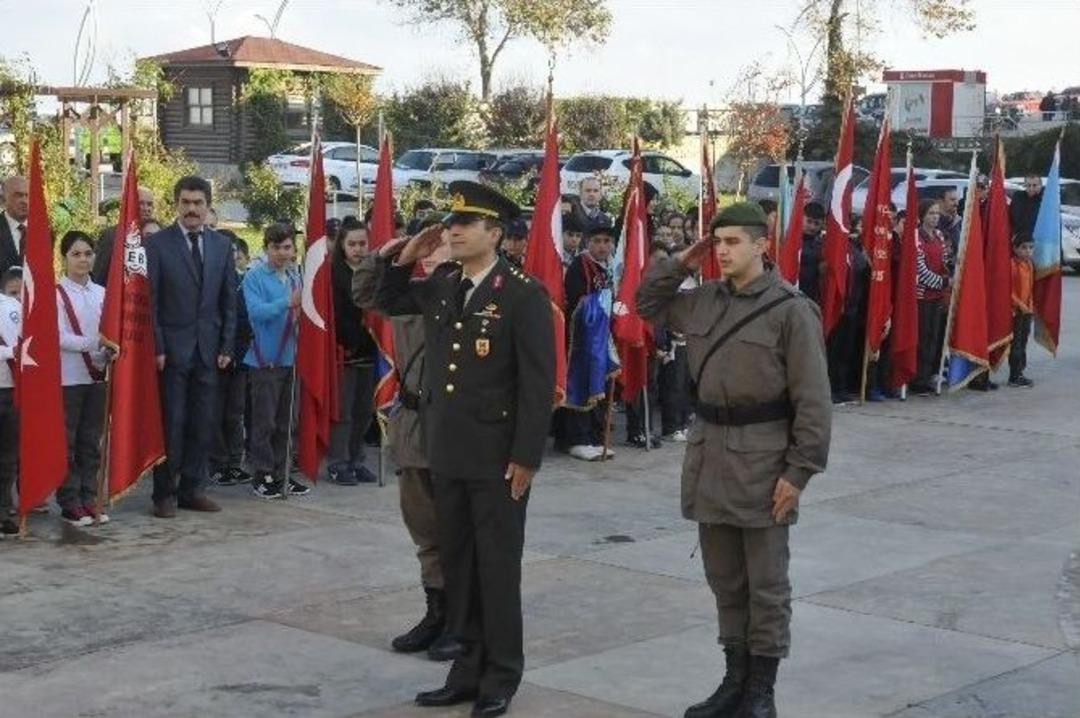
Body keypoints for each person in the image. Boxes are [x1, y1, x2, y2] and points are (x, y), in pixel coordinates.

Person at [636, 202, 831, 718]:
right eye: (717, 243)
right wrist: (683, 259)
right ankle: (733, 680)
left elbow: (813, 401)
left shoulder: (791, 310)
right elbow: (646, 303)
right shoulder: (704, 300)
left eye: (733, 242)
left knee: (766, 584)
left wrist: (799, 472)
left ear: (761, 245)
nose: (722, 252)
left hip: (764, 460)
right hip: (710, 456)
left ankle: (761, 691)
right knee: (725, 579)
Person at [375, 181, 555, 718]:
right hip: (447, 451)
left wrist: (526, 457)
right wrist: (407, 255)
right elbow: (388, 300)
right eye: (450, 223)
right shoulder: (444, 284)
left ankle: (501, 674)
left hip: (497, 458)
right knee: (458, 565)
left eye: (464, 224)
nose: (452, 231)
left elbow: (537, 384)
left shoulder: (522, 294)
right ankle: (466, 669)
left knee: (496, 569)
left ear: (494, 233)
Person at [353, 215, 464, 661]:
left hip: (456, 427)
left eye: (443, 243)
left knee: (459, 528)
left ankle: (462, 620)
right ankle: (436, 611)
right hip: (415, 425)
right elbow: (365, 295)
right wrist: (386, 256)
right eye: (428, 243)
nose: (433, 251)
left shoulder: (473, 294)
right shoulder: (410, 293)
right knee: (424, 528)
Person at [146, 176, 238, 518]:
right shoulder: (157, 245)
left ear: (208, 206)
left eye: (198, 203)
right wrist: (157, 346)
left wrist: (227, 344)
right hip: (171, 352)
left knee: (203, 424)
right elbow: (151, 301)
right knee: (172, 424)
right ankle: (164, 494)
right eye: (185, 202)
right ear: (176, 204)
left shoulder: (221, 245)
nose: (192, 209)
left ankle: (193, 489)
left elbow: (229, 300)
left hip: (209, 351)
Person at [242, 223, 308, 499]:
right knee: (264, 421)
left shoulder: (295, 276)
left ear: (294, 249)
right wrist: (287, 303)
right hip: (265, 360)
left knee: (287, 421)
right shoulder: (255, 277)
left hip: (291, 359)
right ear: (266, 248)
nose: (281, 253)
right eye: (275, 247)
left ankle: (282, 472)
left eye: (287, 247)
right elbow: (256, 312)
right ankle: (262, 473)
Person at [55, 231, 111, 526]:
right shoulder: (55, 294)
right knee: (68, 443)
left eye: (88, 253)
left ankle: (90, 497)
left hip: (98, 377)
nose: (83, 259)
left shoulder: (103, 293)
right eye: (76, 254)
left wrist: (108, 349)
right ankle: (70, 501)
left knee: (91, 442)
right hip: (69, 378)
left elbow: (111, 332)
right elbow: (58, 337)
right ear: (64, 258)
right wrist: (94, 343)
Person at [558, 221, 618, 461]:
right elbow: (577, 299)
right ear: (588, 243)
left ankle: (594, 437)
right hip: (581, 338)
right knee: (581, 385)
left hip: (601, 337)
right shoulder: (580, 265)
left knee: (600, 384)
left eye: (607, 241)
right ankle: (576, 439)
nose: (602, 246)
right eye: (597, 241)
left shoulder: (610, 267)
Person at [327, 218, 379, 485]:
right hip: (344, 350)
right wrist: (352, 341)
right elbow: (336, 313)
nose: (358, 249)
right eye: (353, 244)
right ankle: (338, 462)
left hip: (371, 349)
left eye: (362, 243)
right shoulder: (334, 273)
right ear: (342, 246)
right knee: (344, 412)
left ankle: (357, 460)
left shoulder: (375, 271)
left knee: (364, 410)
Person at [210, 230, 253, 487]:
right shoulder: (209, 282)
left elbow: (246, 321)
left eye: (234, 250)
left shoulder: (244, 282)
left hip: (240, 357)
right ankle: (217, 463)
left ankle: (235, 462)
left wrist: (239, 351)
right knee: (215, 412)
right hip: (214, 358)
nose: (232, 255)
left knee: (235, 412)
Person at [911, 200, 951, 395]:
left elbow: (944, 262)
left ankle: (929, 375)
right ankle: (917, 379)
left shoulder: (939, 236)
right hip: (922, 296)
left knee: (934, 338)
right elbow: (920, 271)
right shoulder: (916, 237)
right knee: (922, 338)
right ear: (922, 216)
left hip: (938, 297)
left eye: (937, 213)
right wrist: (943, 282)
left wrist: (950, 274)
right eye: (931, 213)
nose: (935, 217)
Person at [91, 186, 155, 286]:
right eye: (141, 203)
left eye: (149, 204)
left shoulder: (161, 235)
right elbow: (99, 277)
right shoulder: (111, 236)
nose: (146, 208)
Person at [0, 287, 19, 536]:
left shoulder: (13, 305)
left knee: (7, 458)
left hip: (13, 389)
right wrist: (9, 352)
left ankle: (3, 512)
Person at [1009, 233, 1036, 388]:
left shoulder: (1030, 265)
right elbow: (1009, 291)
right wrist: (1021, 305)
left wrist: (1030, 306)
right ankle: (1014, 376)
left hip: (1026, 312)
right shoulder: (1012, 265)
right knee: (1016, 344)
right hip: (1015, 312)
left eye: (1031, 248)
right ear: (1015, 248)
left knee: (1024, 342)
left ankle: (1020, 372)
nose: (1028, 251)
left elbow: (1030, 288)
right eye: (1024, 248)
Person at [0, 175, 28, 277]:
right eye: (18, 195)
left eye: (27, 195)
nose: (25, 201)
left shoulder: (44, 233)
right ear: (3, 200)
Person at [798, 201, 826, 304]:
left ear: (822, 224)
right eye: (809, 221)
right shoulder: (790, 240)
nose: (812, 227)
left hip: (809, 296)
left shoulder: (822, 245)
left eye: (816, 223)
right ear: (801, 218)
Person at [937, 188, 962, 259]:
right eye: (952, 200)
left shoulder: (959, 221)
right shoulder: (933, 223)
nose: (956, 203)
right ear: (941, 202)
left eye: (957, 200)